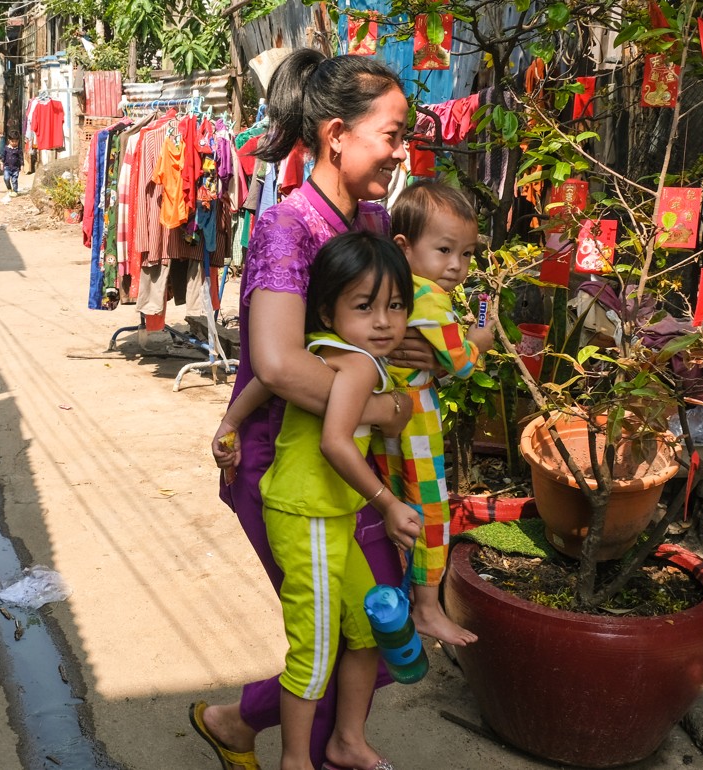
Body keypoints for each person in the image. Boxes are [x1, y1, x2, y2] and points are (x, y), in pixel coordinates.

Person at [192, 49, 438, 770]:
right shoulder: (286, 227)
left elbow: (361, 329)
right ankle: (306, 745)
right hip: (285, 466)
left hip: (346, 459)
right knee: (332, 635)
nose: (402, 151)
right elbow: (277, 363)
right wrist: (382, 405)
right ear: (337, 134)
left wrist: (408, 340)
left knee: (380, 625)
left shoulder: (366, 216)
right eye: (392, 134)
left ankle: (241, 724)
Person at [214, 232, 422, 770]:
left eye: (395, 306)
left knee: (364, 625)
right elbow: (335, 442)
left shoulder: (326, 348)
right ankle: (295, 762)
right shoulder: (356, 366)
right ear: (328, 309)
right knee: (315, 651)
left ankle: (345, 742)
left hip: (326, 516)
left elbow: (267, 377)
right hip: (309, 518)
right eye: (364, 307)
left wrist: (231, 422)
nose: (383, 322)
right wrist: (385, 503)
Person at [382, 180, 495, 646]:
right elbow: (464, 363)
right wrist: (482, 334)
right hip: (418, 423)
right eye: (445, 249)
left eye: (467, 254)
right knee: (430, 511)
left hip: (388, 415)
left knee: (396, 503)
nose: (457, 266)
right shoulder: (428, 297)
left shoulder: (393, 283)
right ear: (405, 248)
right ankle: (427, 608)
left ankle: (402, 595)